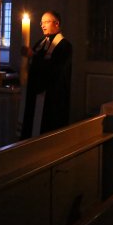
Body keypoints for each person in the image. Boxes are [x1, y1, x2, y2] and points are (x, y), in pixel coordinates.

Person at [20, 11, 73, 139]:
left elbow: (55, 68)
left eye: (46, 22)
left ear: (57, 23)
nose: (42, 25)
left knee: (48, 131)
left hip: (52, 96)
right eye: (41, 22)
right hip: (35, 93)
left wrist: (33, 56)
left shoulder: (64, 46)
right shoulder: (40, 44)